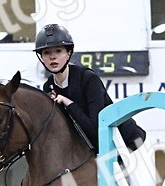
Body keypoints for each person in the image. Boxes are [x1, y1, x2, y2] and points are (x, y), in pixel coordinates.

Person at [33, 23, 146, 151]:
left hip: (128, 144)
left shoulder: (88, 78)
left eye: (58, 51)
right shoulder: (48, 87)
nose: (52, 57)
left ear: (69, 53)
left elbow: (94, 128)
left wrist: (68, 103)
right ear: (41, 57)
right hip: (90, 150)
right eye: (46, 52)